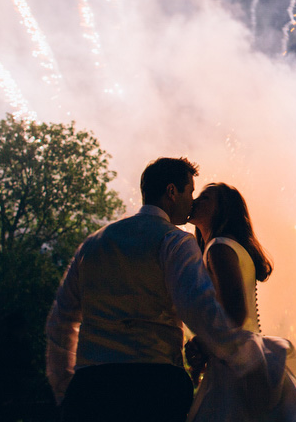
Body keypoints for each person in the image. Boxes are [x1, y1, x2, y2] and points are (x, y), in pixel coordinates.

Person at [45, 157, 259, 422]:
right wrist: (244, 354)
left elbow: (61, 321)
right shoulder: (174, 240)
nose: (192, 201)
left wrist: (65, 388)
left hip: (91, 388)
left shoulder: (93, 244)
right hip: (153, 386)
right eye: (190, 191)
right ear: (172, 192)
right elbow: (198, 306)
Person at [186, 182, 296, 422]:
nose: (194, 202)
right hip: (246, 355)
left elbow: (234, 313)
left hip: (236, 364)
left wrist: (204, 345)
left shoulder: (219, 247)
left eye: (204, 198)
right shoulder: (227, 245)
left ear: (222, 209)